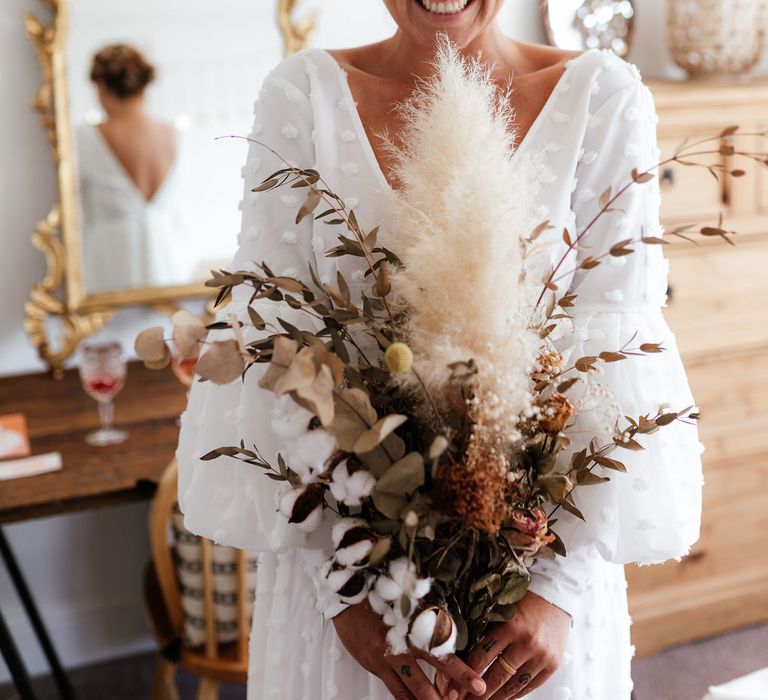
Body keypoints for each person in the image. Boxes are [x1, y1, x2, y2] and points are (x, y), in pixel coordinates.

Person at [176, 1, 703, 698]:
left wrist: (558, 592)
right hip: (352, 583)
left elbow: (618, 345)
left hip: (537, 588)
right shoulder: (301, 93)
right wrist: (344, 591)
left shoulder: (603, 96)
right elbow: (283, 345)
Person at [77, 44, 190, 292]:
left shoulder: (84, 138)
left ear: (101, 85)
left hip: (111, 272)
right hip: (170, 268)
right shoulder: (173, 135)